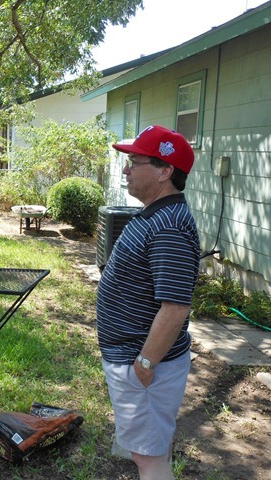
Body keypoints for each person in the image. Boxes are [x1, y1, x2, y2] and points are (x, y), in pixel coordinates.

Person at [96, 125, 200, 480]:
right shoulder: (157, 214)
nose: (126, 169)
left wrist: (143, 364)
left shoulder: (168, 225)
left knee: (149, 459)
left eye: (135, 162)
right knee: (150, 451)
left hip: (143, 368)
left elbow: (175, 307)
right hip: (135, 363)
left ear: (164, 171)